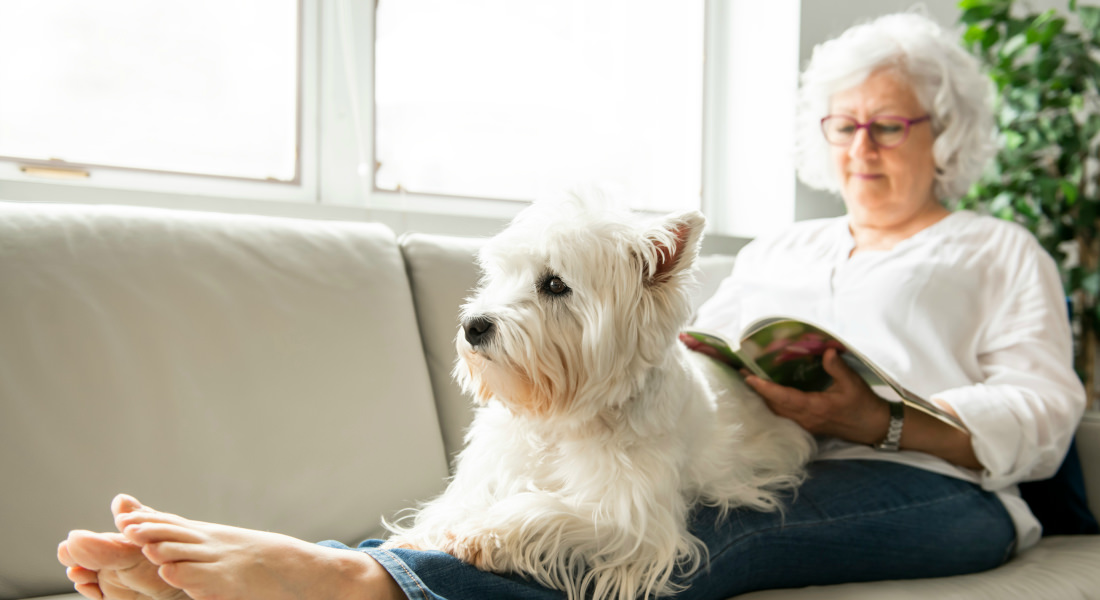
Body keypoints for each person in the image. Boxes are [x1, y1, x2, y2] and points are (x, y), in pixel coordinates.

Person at [57, 11, 1086, 600]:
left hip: (930, 488)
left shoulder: (994, 250)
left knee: (701, 542)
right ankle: (339, 569)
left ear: (944, 132)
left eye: (888, 125)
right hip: (769, 449)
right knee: (581, 504)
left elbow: (1043, 413)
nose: (858, 147)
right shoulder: (783, 246)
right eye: (841, 125)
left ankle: (353, 585)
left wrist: (880, 416)